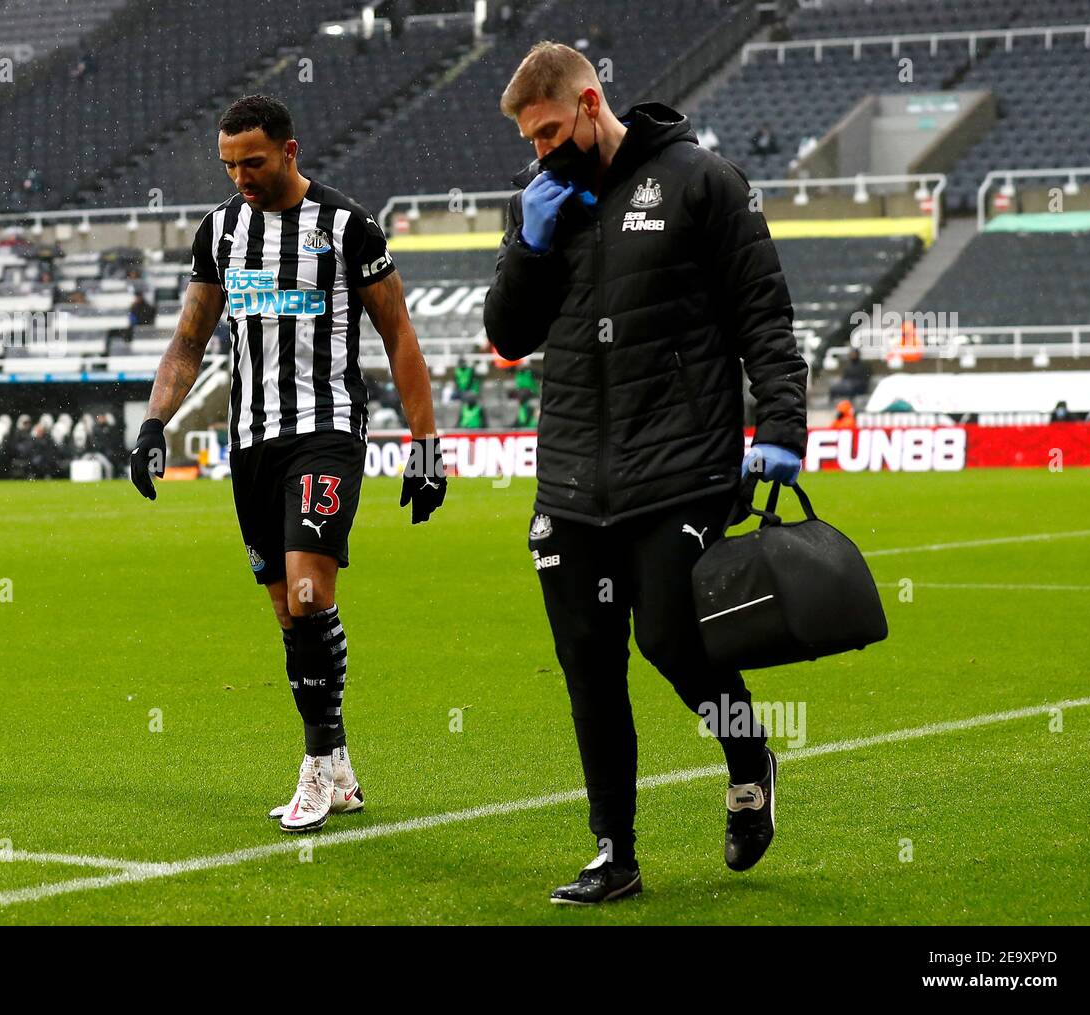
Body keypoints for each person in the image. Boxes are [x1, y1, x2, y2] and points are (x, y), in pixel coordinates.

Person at [484, 42, 808, 905]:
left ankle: (747, 753)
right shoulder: (541, 204)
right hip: (571, 478)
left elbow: (764, 313)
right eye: (529, 139)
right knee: (589, 662)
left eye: (550, 130)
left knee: (671, 638)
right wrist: (529, 247)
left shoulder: (702, 181)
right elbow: (509, 334)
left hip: (680, 466)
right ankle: (613, 850)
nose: (541, 150)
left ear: (591, 103)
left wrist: (779, 425)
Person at [129, 94, 447, 833]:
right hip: (251, 444)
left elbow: (399, 334)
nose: (240, 176)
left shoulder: (346, 226)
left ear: (290, 151)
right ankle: (338, 764)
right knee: (289, 610)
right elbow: (190, 338)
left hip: (326, 430)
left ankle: (312, 767)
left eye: (254, 162)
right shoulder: (220, 231)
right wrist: (153, 422)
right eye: (229, 164)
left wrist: (426, 446)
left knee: (306, 592)